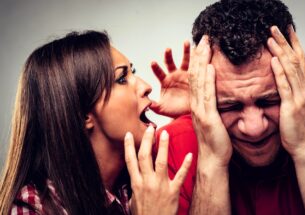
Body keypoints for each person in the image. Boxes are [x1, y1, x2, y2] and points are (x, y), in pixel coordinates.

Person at [154, 0, 305, 214]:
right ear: (203, 93)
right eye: (230, 106)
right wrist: (211, 160)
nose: (254, 129)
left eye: (269, 101)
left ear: (297, 77)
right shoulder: (172, 146)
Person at [0, 30, 193, 215]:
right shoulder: (34, 206)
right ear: (83, 114)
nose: (146, 86)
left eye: (132, 71)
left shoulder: (143, 182)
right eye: (122, 79)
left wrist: (196, 116)